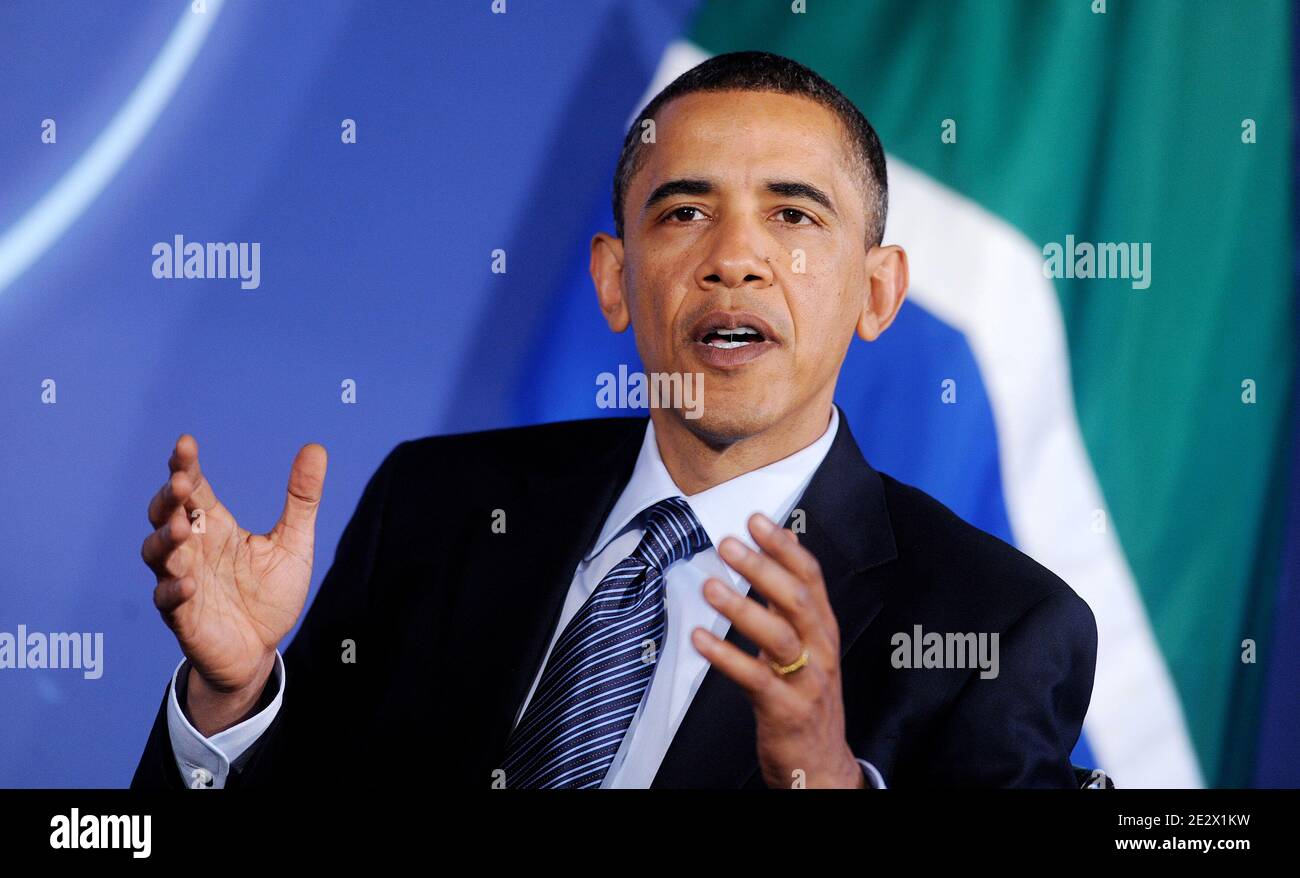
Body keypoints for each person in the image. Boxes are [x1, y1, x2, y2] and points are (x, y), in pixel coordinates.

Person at [132, 50, 1096, 789]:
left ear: (878, 294)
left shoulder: (999, 627)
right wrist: (233, 698)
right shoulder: (435, 507)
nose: (735, 261)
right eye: (684, 213)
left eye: (794, 217)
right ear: (613, 278)